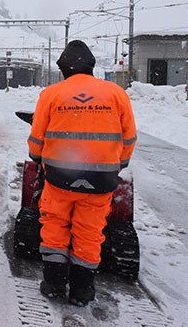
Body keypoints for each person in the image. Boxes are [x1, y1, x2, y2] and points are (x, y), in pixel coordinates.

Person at [27, 40, 137, 306]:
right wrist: (118, 163)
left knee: (54, 227)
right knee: (89, 232)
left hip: (59, 177)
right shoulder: (115, 94)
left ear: (63, 68)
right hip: (101, 180)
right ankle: (82, 290)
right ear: (91, 66)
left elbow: (37, 136)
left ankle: (54, 284)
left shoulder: (52, 94)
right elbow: (129, 136)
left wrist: (38, 159)